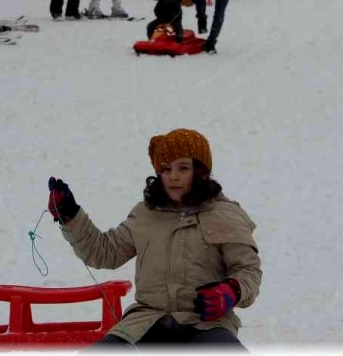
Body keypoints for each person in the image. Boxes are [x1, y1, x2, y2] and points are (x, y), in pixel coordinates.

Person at [48, 128, 261, 347]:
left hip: (206, 325)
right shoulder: (145, 214)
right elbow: (103, 253)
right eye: (166, 169)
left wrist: (231, 291)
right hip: (145, 322)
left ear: (200, 172)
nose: (173, 176)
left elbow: (248, 270)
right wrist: (69, 212)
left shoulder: (226, 215)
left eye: (183, 168)